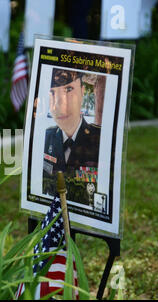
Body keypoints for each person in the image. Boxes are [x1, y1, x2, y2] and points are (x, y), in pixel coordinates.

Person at [42, 68, 101, 206]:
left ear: (82, 91)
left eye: (68, 89)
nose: (59, 104)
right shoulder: (45, 138)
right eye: (52, 92)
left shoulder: (99, 140)